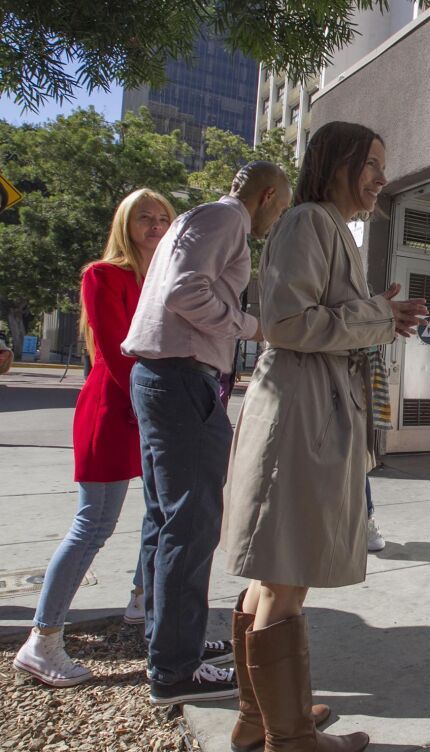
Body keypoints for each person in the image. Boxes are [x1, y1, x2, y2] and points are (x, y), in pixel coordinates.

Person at [221, 121, 424, 752]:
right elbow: (285, 322)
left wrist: (377, 317)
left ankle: (261, 723)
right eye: (371, 163)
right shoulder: (310, 221)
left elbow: (317, 317)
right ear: (336, 162)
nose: (381, 179)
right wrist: (376, 316)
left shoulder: (327, 226)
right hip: (301, 417)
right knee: (287, 574)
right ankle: (292, 739)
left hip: (306, 411)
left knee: (273, 573)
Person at [122, 163, 291, 706]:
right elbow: (184, 292)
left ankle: (169, 641)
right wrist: (250, 326)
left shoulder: (200, 218)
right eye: (281, 208)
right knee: (191, 525)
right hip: (181, 379)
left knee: (166, 519)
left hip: (162, 378)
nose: (278, 219)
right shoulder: (226, 219)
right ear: (267, 196)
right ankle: (175, 669)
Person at [11, 189, 174, 687]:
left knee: (161, 514)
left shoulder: (162, 280)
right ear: (124, 225)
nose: (154, 225)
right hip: (114, 409)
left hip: (150, 410)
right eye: (143, 217)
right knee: (94, 525)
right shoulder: (102, 275)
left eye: (163, 218)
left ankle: (144, 606)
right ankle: (42, 641)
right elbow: (118, 349)